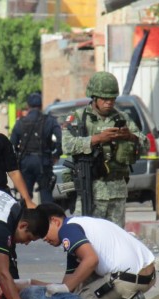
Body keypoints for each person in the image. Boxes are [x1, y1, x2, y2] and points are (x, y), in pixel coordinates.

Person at [37, 203, 156, 299]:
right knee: (73, 294)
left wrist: (63, 293)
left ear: (55, 221)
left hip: (127, 279)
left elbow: (91, 260)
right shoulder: (79, 227)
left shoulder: (68, 230)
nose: (43, 238)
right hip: (146, 275)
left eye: (43, 230)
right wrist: (38, 286)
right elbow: (69, 283)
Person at [61, 71, 148, 227]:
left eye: (112, 99)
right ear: (94, 97)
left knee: (116, 240)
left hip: (117, 192)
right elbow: (67, 145)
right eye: (104, 99)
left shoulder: (122, 118)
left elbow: (145, 145)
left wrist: (130, 137)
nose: (109, 102)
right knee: (87, 237)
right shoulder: (79, 118)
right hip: (90, 190)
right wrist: (98, 139)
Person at [10, 92, 62, 204]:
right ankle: (47, 220)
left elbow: (12, 145)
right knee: (46, 196)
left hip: (25, 162)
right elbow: (60, 138)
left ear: (28, 106)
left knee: (25, 196)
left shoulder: (20, 122)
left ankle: (27, 219)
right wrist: (56, 154)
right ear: (41, 105)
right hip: (43, 162)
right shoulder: (50, 120)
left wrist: (16, 161)